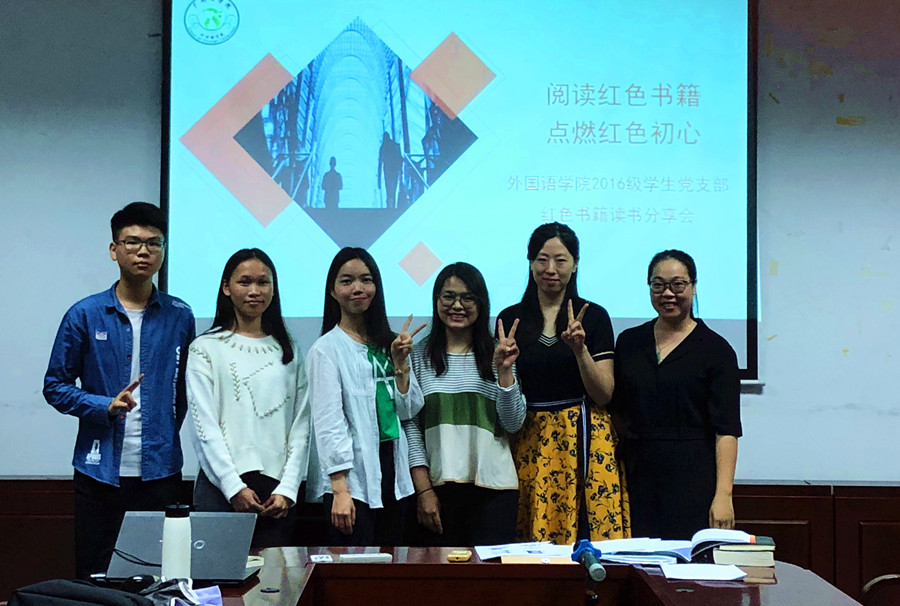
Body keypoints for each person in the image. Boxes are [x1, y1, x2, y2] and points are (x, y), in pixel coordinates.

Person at [43, 202, 196, 579]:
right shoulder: (85, 314)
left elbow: (182, 392)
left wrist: (163, 434)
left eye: (154, 243)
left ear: (163, 251)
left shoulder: (180, 315)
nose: (144, 251)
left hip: (161, 473)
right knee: (96, 577)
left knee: (160, 577)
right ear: (114, 250)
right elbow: (55, 386)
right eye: (132, 242)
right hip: (99, 472)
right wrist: (103, 405)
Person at [496, 222, 628, 543]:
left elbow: (604, 394)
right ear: (530, 263)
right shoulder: (511, 319)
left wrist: (580, 351)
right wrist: (503, 368)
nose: (550, 269)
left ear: (575, 264)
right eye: (542, 259)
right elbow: (508, 409)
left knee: (587, 534)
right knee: (533, 540)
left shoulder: (593, 316)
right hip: (531, 439)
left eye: (561, 260)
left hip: (586, 439)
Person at [611, 250, 741, 540]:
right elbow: (617, 408)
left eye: (678, 284)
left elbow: (727, 430)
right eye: (658, 285)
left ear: (693, 287)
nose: (667, 293)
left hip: (693, 477)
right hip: (636, 475)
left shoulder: (716, 350)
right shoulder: (629, 342)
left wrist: (723, 496)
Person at [185, 248, 310, 548]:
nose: (255, 291)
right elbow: (204, 428)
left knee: (274, 578)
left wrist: (288, 488)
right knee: (217, 576)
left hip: (277, 496)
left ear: (273, 289)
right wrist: (233, 487)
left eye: (263, 282)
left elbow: (301, 425)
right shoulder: (205, 348)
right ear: (226, 288)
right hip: (221, 490)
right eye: (244, 282)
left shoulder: (289, 349)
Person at [306, 247, 425, 545]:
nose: (357, 288)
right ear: (332, 291)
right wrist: (340, 489)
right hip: (352, 479)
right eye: (347, 281)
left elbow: (409, 410)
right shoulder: (326, 349)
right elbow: (328, 422)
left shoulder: (392, 343)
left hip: (393, 472)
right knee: (354, 565)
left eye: (366, 280)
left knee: (391, 565)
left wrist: (400, 364)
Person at [405, 263, 526, 546]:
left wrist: (505, 373)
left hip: (494, 489)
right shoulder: (419, 355)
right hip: (437, 490)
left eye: (468, 298)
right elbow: (411, 427)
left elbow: (513, 423)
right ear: (436, 300)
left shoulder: (498, 353)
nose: (457, 305)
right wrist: (423, 490)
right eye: (448, 296)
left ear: (481, 304)